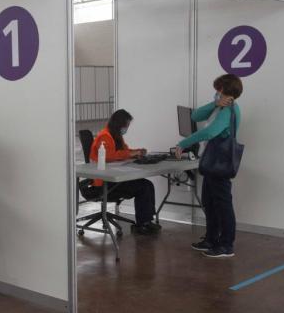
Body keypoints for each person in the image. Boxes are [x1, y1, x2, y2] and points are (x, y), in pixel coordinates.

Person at [175, 74, 243, 259]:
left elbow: (210, 132)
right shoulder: (219, 107)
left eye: (218, 89)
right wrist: (215, 103)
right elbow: (195, 115)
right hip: (211, 162)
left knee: (223, 205)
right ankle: (211, 239)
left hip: (219, 163)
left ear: (224, 90)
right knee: (209, 203)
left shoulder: (229, 110)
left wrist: (184, 143)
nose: (216, 92)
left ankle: (226, 245)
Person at [90, 109, 160, 235]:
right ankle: (142, 224)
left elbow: (125, 151)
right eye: (126, 125)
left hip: (115, 177)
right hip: (104, 182)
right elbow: (109, 156)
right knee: (143, 187)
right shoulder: (104, 136)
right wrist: (131, 154)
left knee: (147, 184)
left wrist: (137, 152)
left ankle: (147, 221)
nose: (126, 128)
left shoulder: (116, 136)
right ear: (119, 124)